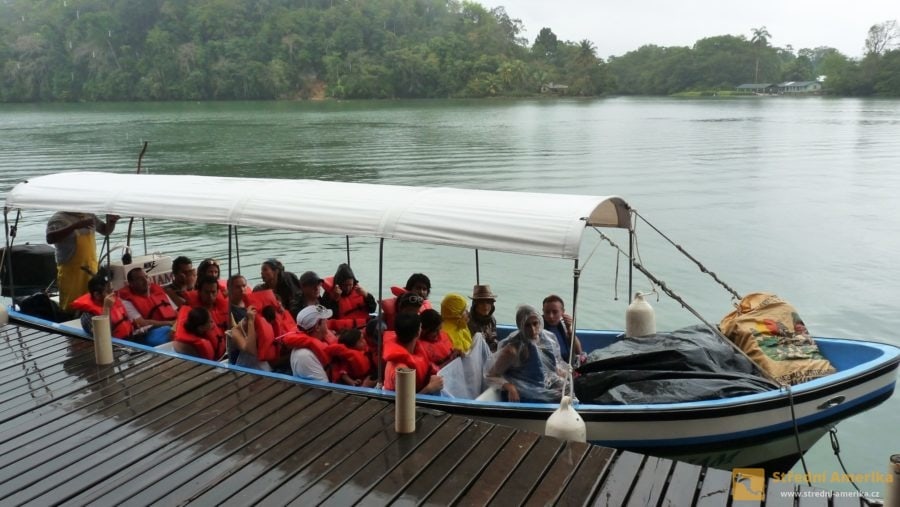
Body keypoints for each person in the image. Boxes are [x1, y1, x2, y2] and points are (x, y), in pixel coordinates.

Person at [486, 304, 566, 403]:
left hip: (545, 386)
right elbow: (490, 376)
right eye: (527, 325)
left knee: (571, 389)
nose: (533, 329)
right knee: (564, 399)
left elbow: (552, 365)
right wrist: (510, 387)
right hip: (525, 394)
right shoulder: (512, 350)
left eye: (535, 323)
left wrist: (564, 373)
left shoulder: (547, 339)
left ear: (540, 322)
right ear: (520, 325)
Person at [45, 211, 118, 311]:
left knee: (93, 303)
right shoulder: (58, 219)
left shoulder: (89, 215)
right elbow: (50, 238)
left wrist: (112, 222)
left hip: (91, 269)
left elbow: (105, 230)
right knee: (72, 306)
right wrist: (75, 226)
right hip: (71, 272)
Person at [382, 312, 443, 394]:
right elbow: (404, 404)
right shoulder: (402, 370)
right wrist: (430, 388)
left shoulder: (414, 350)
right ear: (418, 332)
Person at [117, 266, 176, 346]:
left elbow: (176, 312)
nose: (145, 281)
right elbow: (141, 323)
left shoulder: (158, 293)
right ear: (131, 284)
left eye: (146, 277)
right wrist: (170, 323)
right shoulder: (126, 301)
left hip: (171, 327)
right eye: (139, 279)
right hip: (147, 334)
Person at [71, 270, 133, 339]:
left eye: (112, 290)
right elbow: (101, 335)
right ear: (97, 295)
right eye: (108, 292)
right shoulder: (87, 316)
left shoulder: (116, 301)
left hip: (131, 337)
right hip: (114, 345)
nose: (113, 294)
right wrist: (106, 308)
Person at [283, 305, 333, 381]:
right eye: (324, 319)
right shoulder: (304, 356)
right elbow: (323, 390)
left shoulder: (320, 341)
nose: (327, 321)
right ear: (317, 327)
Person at [322, 263, 376, 331]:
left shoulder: (358, 290)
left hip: (364, 326)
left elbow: (372, 309)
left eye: (350, 285)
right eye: (345, 285)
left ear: (354, 282)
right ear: (338, 284)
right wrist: (335, 300)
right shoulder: (329, 294)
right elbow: (329, 318)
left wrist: (367, 296)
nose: (348, 288)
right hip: (343, 331)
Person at [542, 294, 583, 364]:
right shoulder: (537, 326)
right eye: (547, 312)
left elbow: (578, 352)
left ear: (562, 312)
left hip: (568, 364)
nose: (551, 316)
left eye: (555, 312)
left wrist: (569, 329)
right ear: (543, 311)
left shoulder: (563, 325)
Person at [468, 284, 499, 352]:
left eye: (488, 302)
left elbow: (494, 339)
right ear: (475, 305)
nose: (485, 306)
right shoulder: (469, 322)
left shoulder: (492, 320)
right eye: (481, 302)